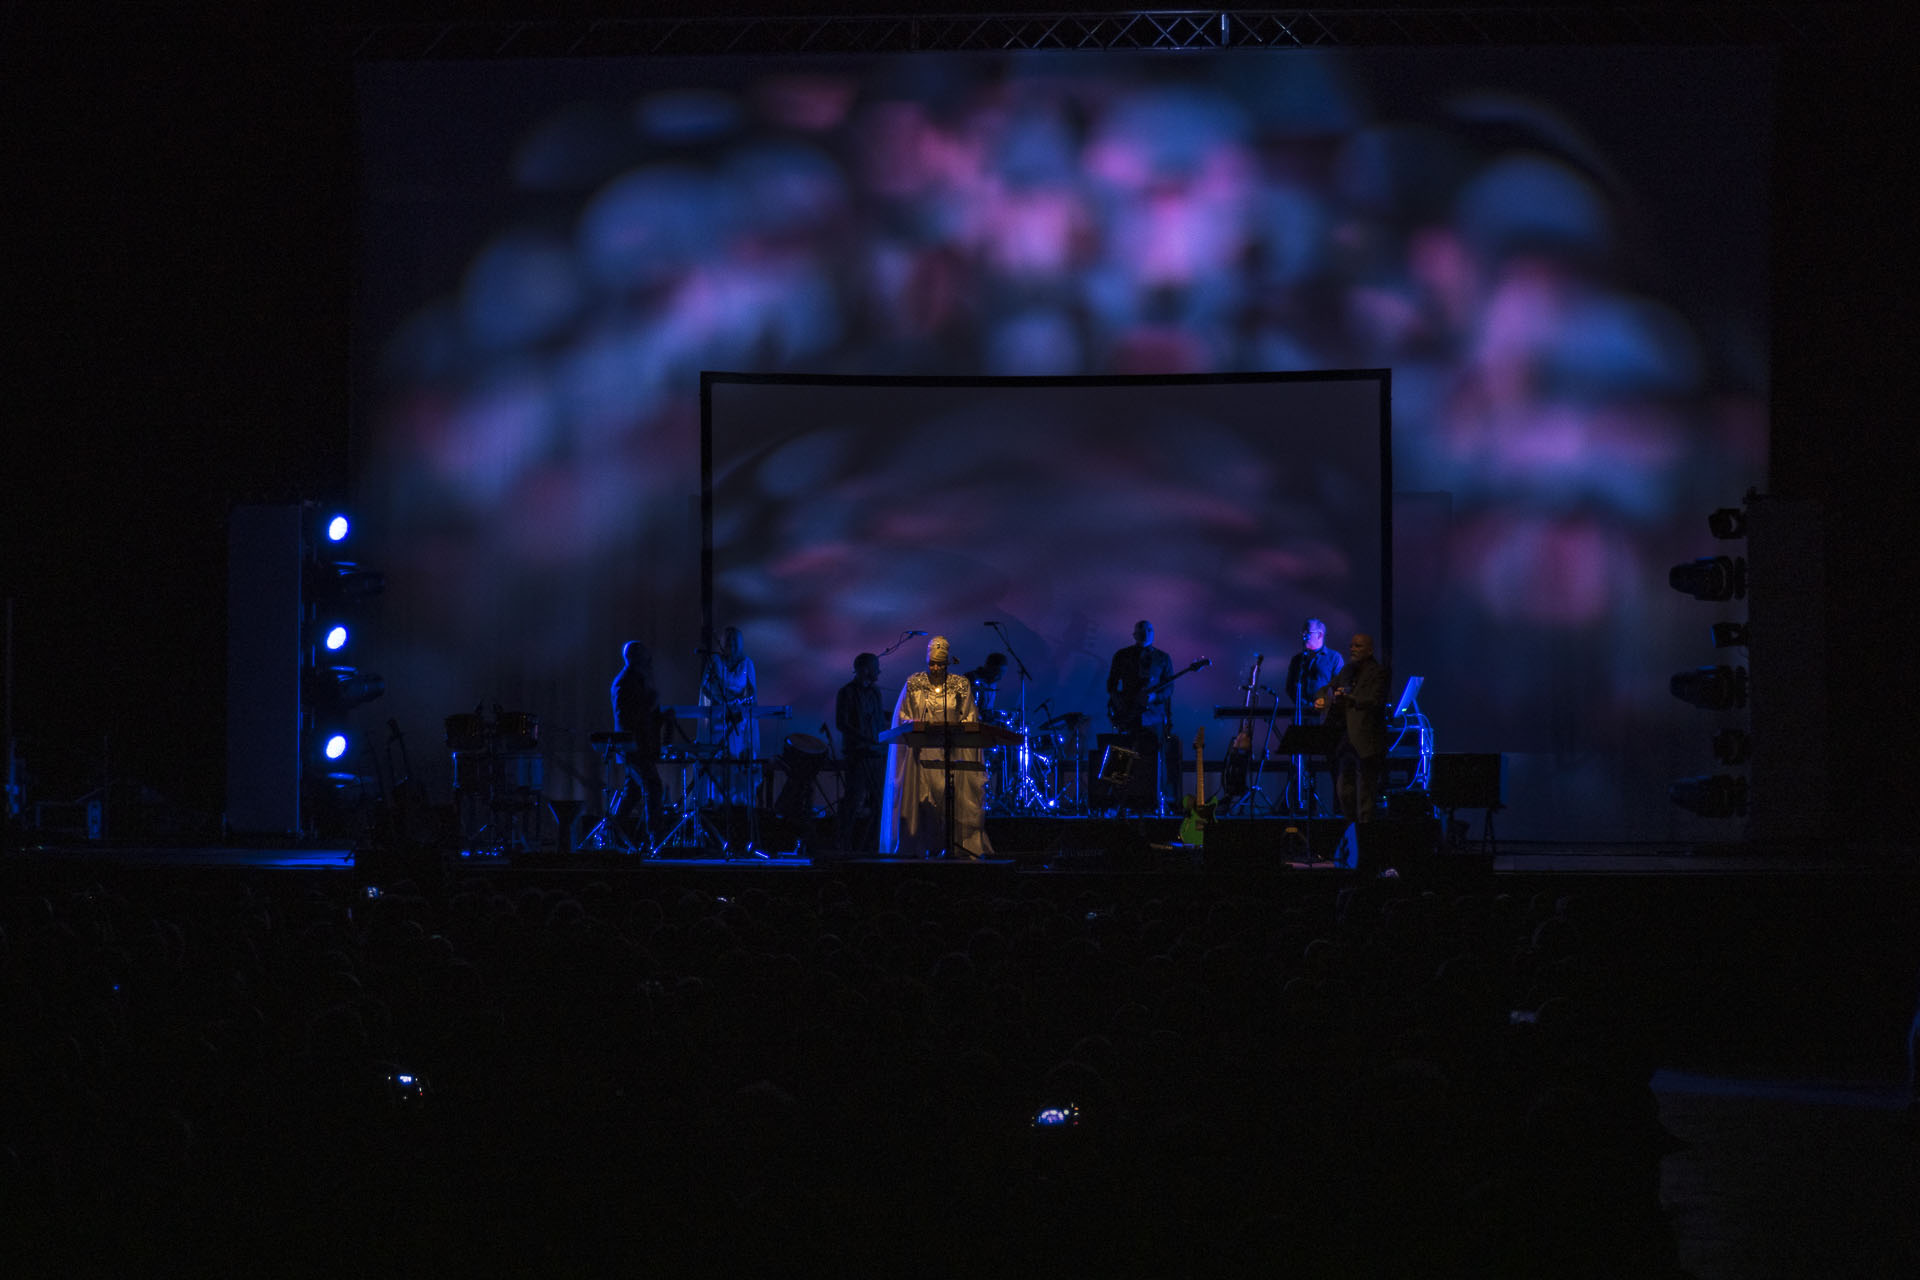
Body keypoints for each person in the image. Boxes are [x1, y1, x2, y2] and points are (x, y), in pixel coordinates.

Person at [879, 635, 993, 859]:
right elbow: (902, 716)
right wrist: (913, 723)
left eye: (940, 664)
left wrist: (961, 727)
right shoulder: (915, 683)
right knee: (922, 803)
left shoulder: (960, 685)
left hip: (952, 752)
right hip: (921, 754)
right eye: (932, 663)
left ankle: (952, 847)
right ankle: (920, 848)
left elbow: (970, 716)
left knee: (949, 802)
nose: (936, 668)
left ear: (948, 663)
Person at [1106, 619, 1179, 811]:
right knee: (1122, 755)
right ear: (1134, 635)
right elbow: (1111, 685)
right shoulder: (1122, 655)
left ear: (1153, 633)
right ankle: (1118, 801)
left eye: (1149, 630)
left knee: (1154, 757)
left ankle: (1155, 799)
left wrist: (1155, 696)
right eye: (1141, 630)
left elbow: (1169, 688)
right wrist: (1119, 704)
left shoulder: (1163, 658)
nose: (1145, 633)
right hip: (1128, 716)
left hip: (1153, 717)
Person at [1316, 633, 1390, 824]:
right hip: (1345, 741)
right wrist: (1323, 697)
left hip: (1366, 742)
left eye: (1358, 646)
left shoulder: (1378, 672)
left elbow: (1375, 701)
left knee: (1365, 795)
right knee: (1344, 792)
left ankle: (1364, 840)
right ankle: (1351, 834)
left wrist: (1349, 698)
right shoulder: (1347, 670)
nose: (1352, 649)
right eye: (1351, 646)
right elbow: (1327, 688)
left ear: (1370, 650)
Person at [1284, 617, 1345, 815]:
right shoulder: (1298, 660)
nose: (1303, 635)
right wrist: (1304, 705)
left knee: (1333, 765)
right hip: (1303, 718)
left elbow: (1340, 688)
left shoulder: (1334, 658)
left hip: (1327, 720)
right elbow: (1290, 687)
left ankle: (1338, 811)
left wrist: (1326, 703)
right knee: (1301, 766)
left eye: (1307, 632)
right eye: (1303, 631)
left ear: (1320, 635)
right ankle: (1303, 810)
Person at [609, 641, 665, 849]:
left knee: (633, 791)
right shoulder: (626, 682)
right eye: (645, 655)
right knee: (652, 785)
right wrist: (651, 706)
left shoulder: (633, 680)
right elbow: (628, 718)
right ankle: (655, 840)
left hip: (636, 746)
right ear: (636, 657)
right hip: (633, 747)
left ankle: (615, 832)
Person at [700, 625, 759, 805]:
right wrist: (721, 701)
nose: (731, 645)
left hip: (738, 720)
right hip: (718, 718)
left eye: (735, 641)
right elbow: (705, 688)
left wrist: (739, 702)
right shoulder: (715, 661)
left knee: (736, 758)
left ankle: (737, 803)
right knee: (719, 759)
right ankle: (716, 801)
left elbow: (752, 692)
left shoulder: (747, 663)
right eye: (728, 641)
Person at [834, 652, 886, 852]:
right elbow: (842, 723)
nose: (878, 671)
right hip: (858, 755)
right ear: (864, 669)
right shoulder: (846, 693)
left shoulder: (875, 693)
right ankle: (844, 844)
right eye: (875, 667)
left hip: (875, 755)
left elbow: (879, 719)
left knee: (879, 802)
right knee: (853, 801)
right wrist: (866, 738)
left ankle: (870, 845)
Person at [964, 652, 1009, 717]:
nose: (1000, 677)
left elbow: (986, 710)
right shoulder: (970, 679)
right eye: (998, 672)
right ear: (989, 667)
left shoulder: (992, 683)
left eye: (1003, 673)